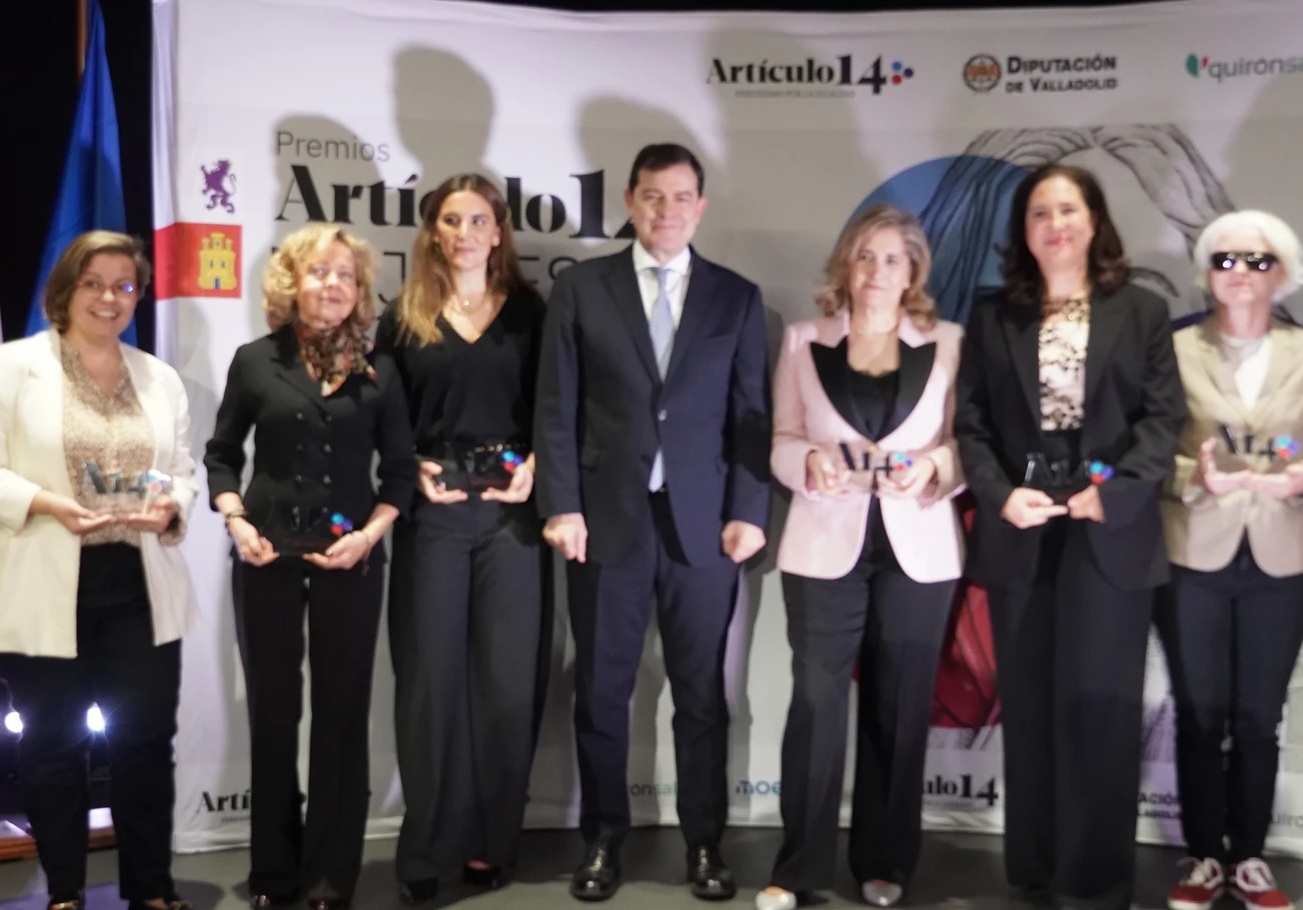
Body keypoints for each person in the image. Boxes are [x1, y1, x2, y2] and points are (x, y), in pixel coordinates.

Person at [535, 142, 771, 902]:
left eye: (681, 197)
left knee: (701, 694)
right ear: (630, 202)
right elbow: (557, 407)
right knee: (603, 691)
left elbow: (751, 417)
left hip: (704, 529)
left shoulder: (736, 298)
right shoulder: (583, 289)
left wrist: (749, 511)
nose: (666, 210)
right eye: (652, 196)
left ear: (700, 205)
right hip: (605, 524)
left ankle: (704, 842)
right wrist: (562, 506)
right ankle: (603, 839)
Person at [953, 163, 1185, 910]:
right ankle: (1035, 865)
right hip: (1023, 528)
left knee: (1100, 709)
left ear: (1094, 221)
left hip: (1106, 532)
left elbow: (1161, 422)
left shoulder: (1142, 311)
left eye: (1068, 209)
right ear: (1023, 231)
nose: (1055, 224)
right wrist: (999, 496)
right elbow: (972, 425)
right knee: (1029, 709)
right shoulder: (994, 316)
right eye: (1038, 213)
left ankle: (1093, 881)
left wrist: (1109, 495)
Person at [0, 231, 199, 910]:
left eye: (124, 285)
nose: (109, 297)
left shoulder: (160, 376)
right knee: (55, 745)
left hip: (140, 583)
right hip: (41, 582)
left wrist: (171, 505)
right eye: (94, 283)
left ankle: (152, 889)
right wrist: (43, 502)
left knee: (145, 743)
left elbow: (184, 470)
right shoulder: (7, 368)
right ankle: (64, 891)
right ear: (65, 289)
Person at [755, 205, 967, 910]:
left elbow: (968, 445)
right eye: (866, 256)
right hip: (824, 543)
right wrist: (807, 459)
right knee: (816, 706)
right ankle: (799, 866)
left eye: (893, 260)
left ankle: (884, 860)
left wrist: (935, 467)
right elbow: (780, 437)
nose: (878, 271)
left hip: (918, 548)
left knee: (899, 708)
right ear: (846, 263)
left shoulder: (949, 342)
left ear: (914, 274)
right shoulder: (800, 341)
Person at [204, 223, 418, 910]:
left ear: (360, 291)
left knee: (342, 713)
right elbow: (222, 453)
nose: (332, 284)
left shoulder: (379, 368)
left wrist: (371, 534)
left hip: (350, 558)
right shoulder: (253, 360)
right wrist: (235, 520)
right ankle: (273, 873)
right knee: (273, 710)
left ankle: (329, 879)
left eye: (345, 276)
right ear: (290, 283)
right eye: (319, 271)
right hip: (264, 555)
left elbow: (403, 472)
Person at [1157, 211, 1303, 910]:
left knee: (1259, 714)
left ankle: (1250, 858)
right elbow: (1149, 449)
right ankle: (1204, 855)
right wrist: (1193, 477)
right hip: (1193, 548)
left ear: (1284, 271)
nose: (1239, 271)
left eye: (1256, 260)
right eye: (1225, 258)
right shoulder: (1174, 350)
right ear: (1207, 270)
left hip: (1284, 549)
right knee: (1199, 713)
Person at [375, 175, 549, 904]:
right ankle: (426, 848)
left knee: (507, 684)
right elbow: (381, 418)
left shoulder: (532, 314)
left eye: (480, 218)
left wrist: (537, 461)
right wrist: (407, 468)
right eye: (453, 218)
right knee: (428, 685)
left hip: (512, 520)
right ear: (433, 231)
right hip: (434, 519)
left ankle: (493, 841)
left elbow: (557, 407)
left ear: (500, 230)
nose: (467, 230)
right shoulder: (403, 314)